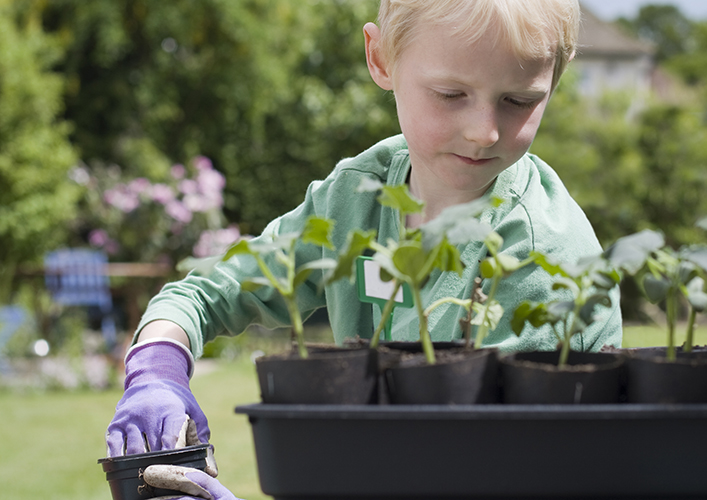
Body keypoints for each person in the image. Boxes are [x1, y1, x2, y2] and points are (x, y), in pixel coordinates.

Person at [106, 0, 624, 498]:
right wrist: (157, 369)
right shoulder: (358, 195)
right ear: (381, 59)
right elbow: (206, 294)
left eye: (519, 101)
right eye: (450, 94)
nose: (483, 131)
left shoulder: (538, 252)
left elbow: (483, 468)